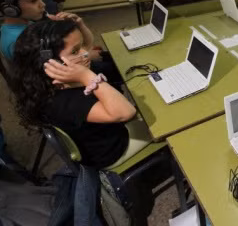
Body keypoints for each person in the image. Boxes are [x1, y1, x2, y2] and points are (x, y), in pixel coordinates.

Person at [10, 19, 151, 169]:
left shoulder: (56, 80)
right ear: (49, 62)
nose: (85, 53)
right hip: (113, 149)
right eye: (75, 51)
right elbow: (125, 113)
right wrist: (86, 76)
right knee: (164, 120)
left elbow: (110, 68)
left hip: (109, 129)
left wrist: (88, 55)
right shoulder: (62, 101)